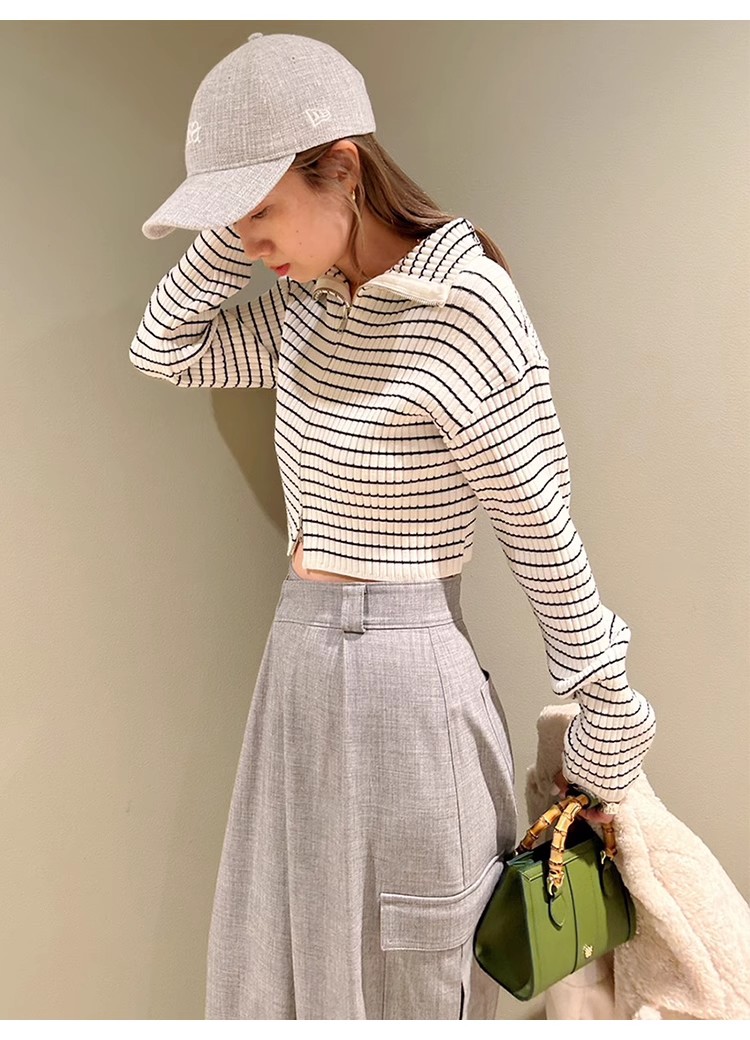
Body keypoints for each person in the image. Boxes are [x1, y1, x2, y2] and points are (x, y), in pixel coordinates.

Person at [130, 32, 657, 1020]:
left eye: (259, 210)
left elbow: (538, 522)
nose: (251, 242)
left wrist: (608, 707)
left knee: (404, 977)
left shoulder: (466, 304)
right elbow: (166, 347)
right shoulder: (310, 306)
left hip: (406, 678)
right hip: (296, 663)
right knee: (275, 961)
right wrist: (234, 214)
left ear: (344, 168)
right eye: (235, 221)